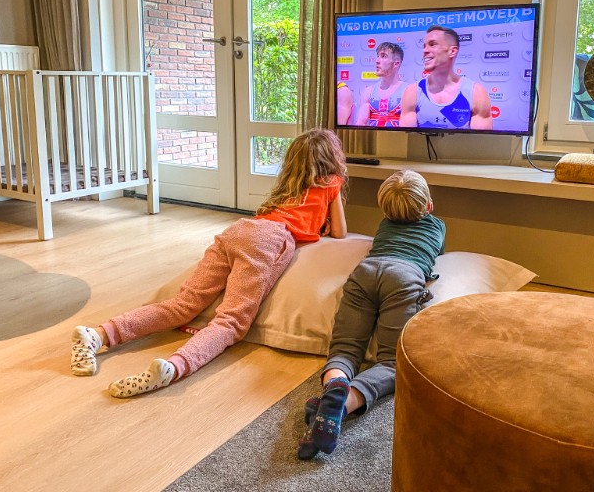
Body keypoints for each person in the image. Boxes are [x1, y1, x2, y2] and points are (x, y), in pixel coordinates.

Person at [70, 128, 348, 398]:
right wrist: (336, 187)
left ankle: (97, 335)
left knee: (182, 305)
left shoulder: (288, 188)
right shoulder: (331, 183)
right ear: (331, 160)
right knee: (231, 322)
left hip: (239, 230)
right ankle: (174, 367)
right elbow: (340, 232)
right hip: (269, 240)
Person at [297, 169, 445, 459]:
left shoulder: (383, 225)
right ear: (428, 206)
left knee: (345, 349)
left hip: (365, 273)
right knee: (392, 362)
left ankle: (335, 385)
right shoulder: (437, 225)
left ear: (384, 208)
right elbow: (436, 251)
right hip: (404, 278)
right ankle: (345, 403)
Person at [400, 25, 493, 130]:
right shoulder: (413, 92)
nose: (425, 50)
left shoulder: (476, 93)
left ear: (452, 51)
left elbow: (481, 141)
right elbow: (408, 138)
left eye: (432, 44)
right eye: (424, 46)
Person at [354, 42, 408, 127]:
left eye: (383, 56)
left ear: (396, 63)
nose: (377, 61)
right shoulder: (368, 92)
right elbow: (360, 124)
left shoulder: (408, 91)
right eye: (377, 56)